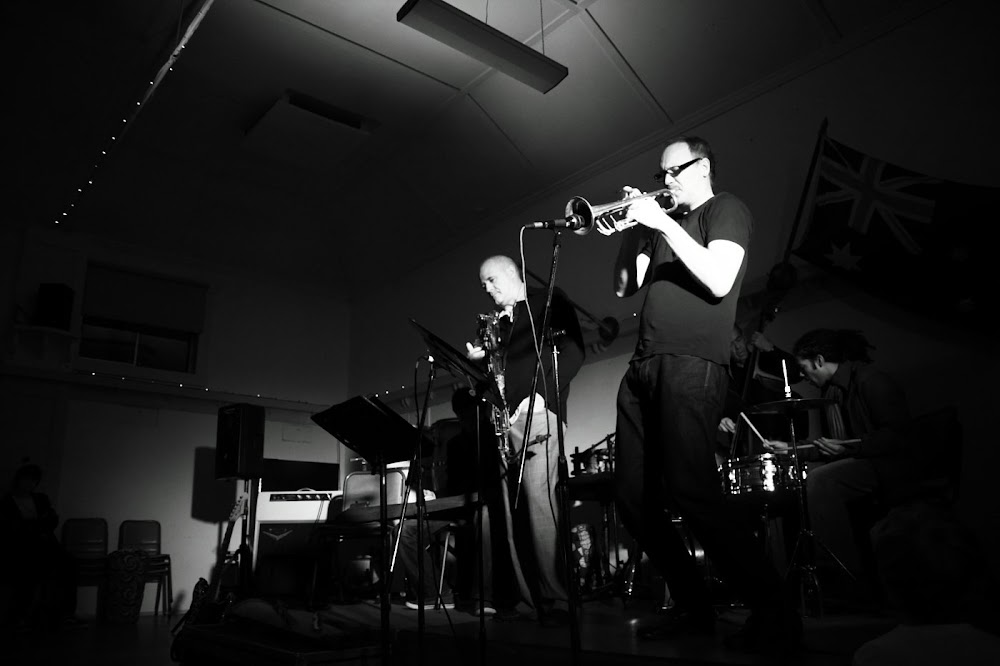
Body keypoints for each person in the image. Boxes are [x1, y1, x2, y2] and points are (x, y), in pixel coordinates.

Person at [611, 136, 799, 654]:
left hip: (692, 364)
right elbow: (624, 286)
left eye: (675, 170)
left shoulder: (725, 208)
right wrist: (633, 227)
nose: (666, 180)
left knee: (692, 489)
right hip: (643, 367)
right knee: (632, 499)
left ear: (704, 167)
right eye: (661, 174)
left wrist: (662, 223)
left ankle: (774, 610)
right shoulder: (661, 227)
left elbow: (718, 280)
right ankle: (694, 609)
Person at [465, 255, 585, 626]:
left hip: (537, 416)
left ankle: (556, 599)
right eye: (483, 284)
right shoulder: (496, 323)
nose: (486, 289)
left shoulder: (547, 300)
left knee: (539, 506)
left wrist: (543, 397)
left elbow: (574, 352)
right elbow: (498, 376)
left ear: (508, 273)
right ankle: (526, 601)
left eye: (490, 280)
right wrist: (478, 362)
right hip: (503, 423)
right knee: (509, 513)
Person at [764, 328, 911, 594]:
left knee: (821, 480)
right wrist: (791, 450)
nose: (803, 376)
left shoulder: (871, 380)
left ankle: (843, 578)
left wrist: (850, 447)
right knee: (803, 479)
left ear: (819, 361)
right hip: (860, 461)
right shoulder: (832, 392)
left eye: (804, 368)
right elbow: (828, 446)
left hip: (887, 465)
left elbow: (898, 437)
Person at [0, 462, 80, 631]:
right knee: (28, 568)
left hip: (46, 544)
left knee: (69, 562)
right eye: (26, 479)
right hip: (21, 548)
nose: (29, 484)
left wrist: (35, 525)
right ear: (18, 480)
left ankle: (66, 614)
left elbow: (51, 520)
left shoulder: (40, 499)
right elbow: (13, 529)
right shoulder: (7, 502)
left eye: (33, 481)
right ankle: (21, 616)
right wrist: (36, 525)